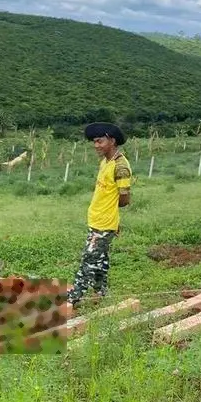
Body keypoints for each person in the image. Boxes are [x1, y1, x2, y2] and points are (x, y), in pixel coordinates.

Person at [67, 122, 132, 308]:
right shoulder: (105, 161)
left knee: (89, 258)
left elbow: (125, 199)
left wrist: (111, 217)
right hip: (97, 220)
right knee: (100, 258)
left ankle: (75, 296)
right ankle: (101, 291)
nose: (96, 146)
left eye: (99, 141)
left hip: (104, 224)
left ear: (112, 141)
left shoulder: (121, 167)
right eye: (94, 142)